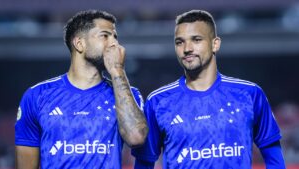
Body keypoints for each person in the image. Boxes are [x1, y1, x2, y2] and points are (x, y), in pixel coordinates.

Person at [132, 10, 285, 169]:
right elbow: (144, 162)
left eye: (196, 40)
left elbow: (272, 152)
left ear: (215, 44)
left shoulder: (249, 94)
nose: (187, 48)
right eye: (179, 42)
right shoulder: (158, 101)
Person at [15, 10, 148, 169]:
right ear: (79, 44)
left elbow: (136, 137)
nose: (114, 44)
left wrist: (117, 70)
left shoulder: (128, 95)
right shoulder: (37, 96)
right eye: (105, 36)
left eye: (115, 37)